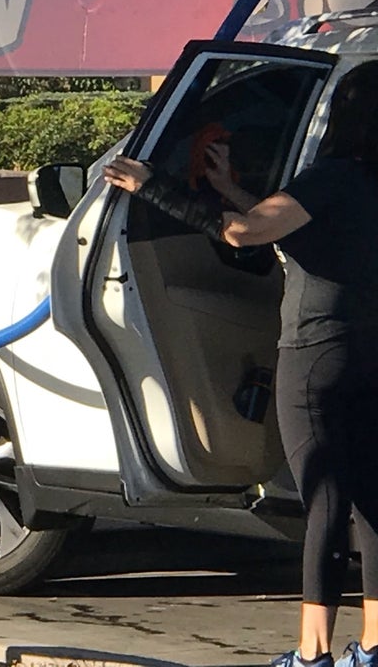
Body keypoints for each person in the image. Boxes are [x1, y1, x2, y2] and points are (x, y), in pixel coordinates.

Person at [102, 60, 378, 667]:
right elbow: (299, 228)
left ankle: (312, 652)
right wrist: (230, 189)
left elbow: (245, 234)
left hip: (316, 356)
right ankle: (373, 646)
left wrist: (154, 187)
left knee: (325, 499)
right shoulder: (361, 186)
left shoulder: (327, 178)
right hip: (369, 356)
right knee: (370, 500)